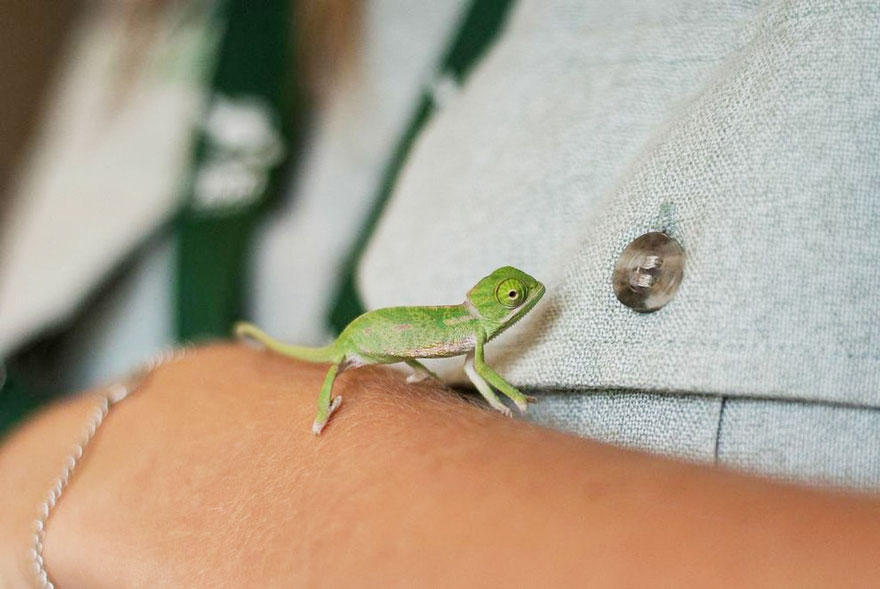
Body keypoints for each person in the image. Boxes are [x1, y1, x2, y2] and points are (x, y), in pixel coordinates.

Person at [2, 0, 880, 585]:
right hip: (360, 347)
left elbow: (488, 373)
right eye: (506, 303)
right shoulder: (150, 26)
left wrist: (142, 459)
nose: (519, 309)